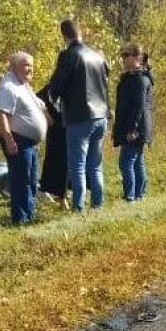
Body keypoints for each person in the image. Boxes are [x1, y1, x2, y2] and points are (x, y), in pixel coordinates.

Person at [47, 19, 110, 212]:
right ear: (80, 32)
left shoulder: (69, 55)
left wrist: (51, 100)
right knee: (95, 165)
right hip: (101, 115)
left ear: (64, 35)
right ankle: (98, 204)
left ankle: (79, 207)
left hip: (80, 117)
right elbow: (105, 84)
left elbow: (55, 87)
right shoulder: (98, 56)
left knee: (78, 165)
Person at [0, 51, 49, 224]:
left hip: (29, 143)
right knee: (21, 180)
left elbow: (40, 107)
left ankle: (29, 215)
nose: (30, 69)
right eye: (26, 64)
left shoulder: (23, 85)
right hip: (18, 141)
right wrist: (9, 138)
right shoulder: (8, 87)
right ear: (14, 66)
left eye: (31, 65)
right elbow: (1, 113)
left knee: (31, 180)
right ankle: (20, 219)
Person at [112, 43, 154, 202]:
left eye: (126, 55)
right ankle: (139, 194)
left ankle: (131, 196)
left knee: (126, 162)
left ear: (136, 57)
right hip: (134, 125)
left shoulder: (139, 79)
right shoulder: (131, 77)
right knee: (136, 160)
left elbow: (138, 106)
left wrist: (132, 129)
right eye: (122, 55)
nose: (122, 59)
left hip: (136, 127)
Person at [35, 84, 69, 209]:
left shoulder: (76, 84)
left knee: (73, 164)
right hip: (57, 131)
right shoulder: (52, 87)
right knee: (60, 163)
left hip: (72, 129)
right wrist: (47, 115)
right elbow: (36, 98)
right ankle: (62, 198)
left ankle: (68, 194)